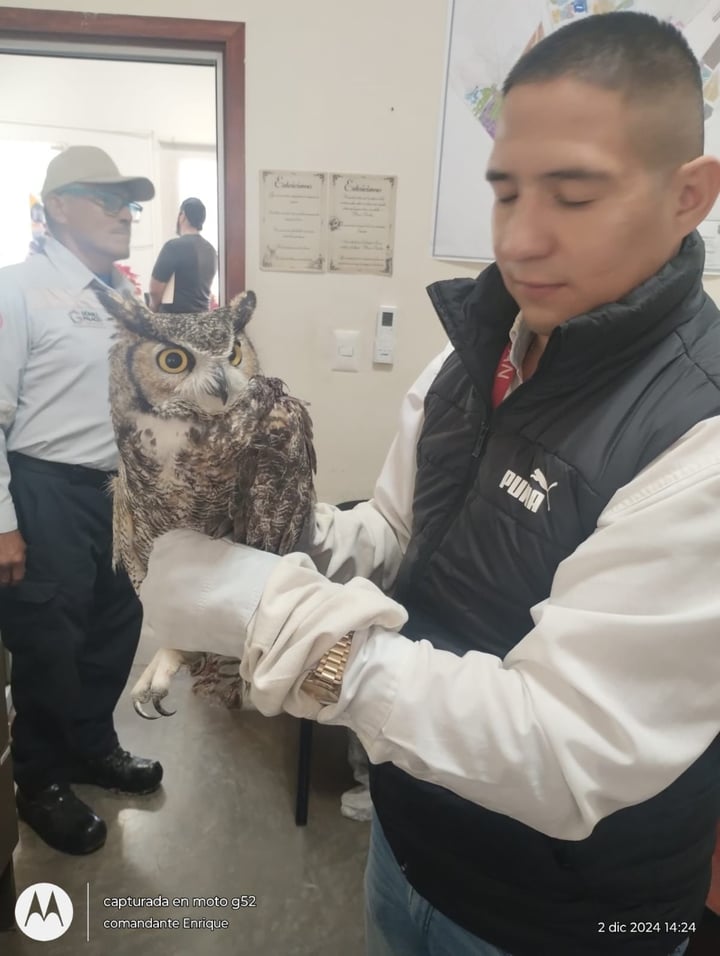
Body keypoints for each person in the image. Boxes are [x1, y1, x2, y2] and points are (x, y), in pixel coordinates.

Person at [139, 13, 720, 956]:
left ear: (689, 194)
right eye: (505, 194)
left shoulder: (699, 434)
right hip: (411, 845)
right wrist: (291, 532)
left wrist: (274, 618)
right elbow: (403, 536)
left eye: (573, 197)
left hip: (564, 917)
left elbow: (563, 751)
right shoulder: (473, 354)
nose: (522, 241)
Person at [0, 145, 163, 856]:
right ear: (58, 206)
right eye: (106, 198)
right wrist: (3, 522)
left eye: (129, 201)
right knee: (50, 644)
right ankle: (39, 781)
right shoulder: (17, 291)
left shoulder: (121, 298)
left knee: (113, 627)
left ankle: (92, 748)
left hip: (116, 492)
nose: (124, 212)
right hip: (46, 489)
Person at [149, 196, 217, 313]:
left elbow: (155, 291)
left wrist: (153, 309)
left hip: (176, 322)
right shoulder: (211, 250)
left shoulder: (173, 247)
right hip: (203, 321)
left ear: (183, 216)